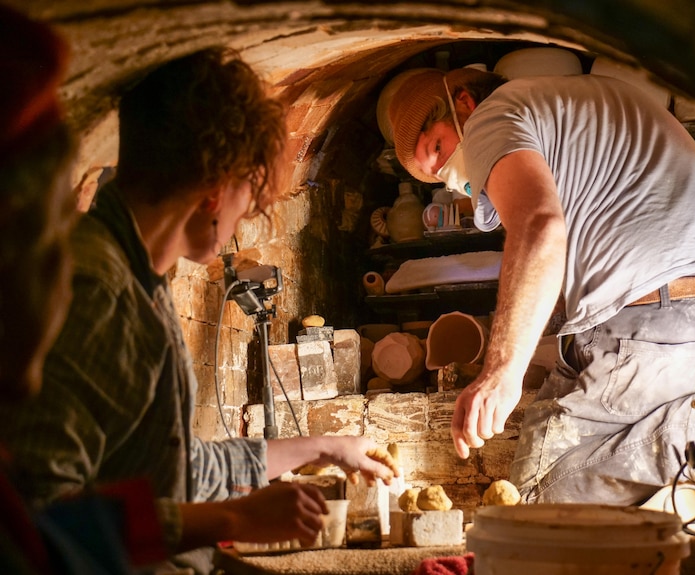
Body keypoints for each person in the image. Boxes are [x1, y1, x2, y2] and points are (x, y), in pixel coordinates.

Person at [0, 43, 398, 574]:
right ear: (216, 191)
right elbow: (38, 517)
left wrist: (324, 447)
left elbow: (179, 469)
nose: (245, 219)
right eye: (247, 199)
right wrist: (229, 521)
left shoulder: (144, 281)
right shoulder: (96, 290)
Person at [387, 66, 695, 507]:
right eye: (435, 176)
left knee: (540, 493)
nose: (450, 176)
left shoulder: (491, 116)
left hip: (674, 326)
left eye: (438, 148)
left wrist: (502, 373)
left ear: (463, 102)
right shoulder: (585, 99)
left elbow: (541, 229)